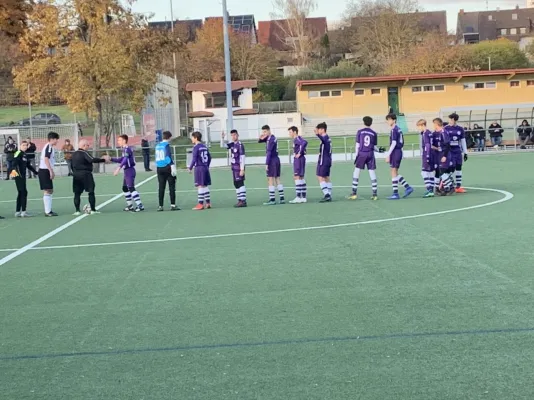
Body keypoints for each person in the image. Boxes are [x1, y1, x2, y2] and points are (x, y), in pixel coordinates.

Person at [71, 139, 110, 215]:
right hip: (86, 174)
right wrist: (103, 160)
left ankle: (77, 211)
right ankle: (93, 210)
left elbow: (71, 165)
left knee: (77, 193)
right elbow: (91, 160)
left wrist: (75, 172)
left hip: (76, 175)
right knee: (91, 192)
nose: (88, 147)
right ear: (84, 146)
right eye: (87, 145)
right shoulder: (84, 152)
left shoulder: (74, 154)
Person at [349, 116, 381, 200]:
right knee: (372, 172)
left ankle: (354, 193)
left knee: (356, 172)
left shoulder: (360, 132)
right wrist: (379, 150)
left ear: (363, 122)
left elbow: (357, 145)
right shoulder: (374, 133)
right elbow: (374, 147)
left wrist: (356, 155)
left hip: (362, 153)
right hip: (370, 153)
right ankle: (375, 194)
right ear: (371, 123)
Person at [111, 134, 145, 212]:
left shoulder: (127, 149)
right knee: (125, 188)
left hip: (130, 170)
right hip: (126, 171)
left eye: (119, 140)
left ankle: (140, 205)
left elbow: (125, 160)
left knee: (131, 187)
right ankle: (130, 205)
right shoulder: (124, 149)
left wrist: (118, 168)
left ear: (124, 141)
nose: (118, 142)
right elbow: (121, 159)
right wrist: (111, 158)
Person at [384, 113, 413, 200]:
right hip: (398, 151)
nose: (388, 121)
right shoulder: (398, 129)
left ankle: (396, 193)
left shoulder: (394, 130)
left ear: (394, 120)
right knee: (395, 171)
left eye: (389, 120)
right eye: (387, 120)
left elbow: (394, 143)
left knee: (393, 171)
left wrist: (388, 154)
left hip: (395, 151)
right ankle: (407, 187)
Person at [9, 140, 38, 217]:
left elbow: (28, 165)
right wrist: (15, 172)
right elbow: (14, 163)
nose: (25, 146)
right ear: (20, 146)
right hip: (19, 176)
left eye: (26, 145)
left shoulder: (25, 154)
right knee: (24, 192)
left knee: (21, 192)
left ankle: (18, 211)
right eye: (23, 145)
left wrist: (35, 172)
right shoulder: (18, 153)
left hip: (23, 176)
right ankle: (23, 212)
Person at [258, 125, 285, 205]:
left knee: (270, 179)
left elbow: (269, 152)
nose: (264, 133)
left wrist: (267, 164)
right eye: (263, 132)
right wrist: (261, 137)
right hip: (276, 159)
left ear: (269, 130)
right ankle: (282, 198)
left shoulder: (270, 140)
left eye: (265, 131)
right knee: (277, 178)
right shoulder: (272, 138)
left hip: (272, 160)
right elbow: (259, 141)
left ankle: (272, 199)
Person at [444, 113, 468, 194]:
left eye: (451, 119)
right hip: (449, 151)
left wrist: (465, 152)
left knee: (459, 167)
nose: (449, 121)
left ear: (454, 120)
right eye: (449, 119)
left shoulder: (460, 129)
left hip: (457, 151)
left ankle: (458, 186)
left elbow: (463, 141)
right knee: (451, 168)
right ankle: (446, 183)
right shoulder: (445, 128)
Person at [155, 131, 179, 211]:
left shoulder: (157, 146)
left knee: (161, 187)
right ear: (169, 137)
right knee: (171, 186)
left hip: (159, 167)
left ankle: (160, 205)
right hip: (167, 167)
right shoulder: (166, 145)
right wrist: (172, 165)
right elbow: (167, 156)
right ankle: (173, 205)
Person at [188, 131, 212, 210]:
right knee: (205, 185)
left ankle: (200, 204)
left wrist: (190, 167)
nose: (191, 139)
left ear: (196, 138)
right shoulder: (204, 146)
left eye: (192, 137)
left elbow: (194, 158)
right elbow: (209, 157)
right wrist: (207, 165)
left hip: (199, 168)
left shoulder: (196, 147)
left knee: (200, 186)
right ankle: (208, 203)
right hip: (205, 167)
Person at [38, 131, 60, 217]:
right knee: (48, 190)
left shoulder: (49, 147)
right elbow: (46, 158)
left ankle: (49, 210)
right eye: (56, 139)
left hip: (45, 170)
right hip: (44, 170)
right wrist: (50, 170)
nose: (57, 141)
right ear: (52, 139)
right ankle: (48, 211)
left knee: (50, 190)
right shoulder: (49, 147)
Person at [223, 130, 247, 208]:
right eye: (232, 135)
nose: (233, 137)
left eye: (235, 135)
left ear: (238, 135)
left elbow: (242, 157)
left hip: (239, 167)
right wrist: (222, 138)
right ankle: (239, 200)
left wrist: (242, 169)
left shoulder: (240, 145)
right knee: (236, 183)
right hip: (234, 167)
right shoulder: (232, 144)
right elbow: (223, 146)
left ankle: (243, 201)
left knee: (240, 182)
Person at [287, 126, 308, 204]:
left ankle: (298, 197)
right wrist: (302, 151)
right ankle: (303, 197)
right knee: (301, 177)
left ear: (295, 132)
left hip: (298, 160)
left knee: (297, 177)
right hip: (301, 159)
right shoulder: (296, 139)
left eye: (290, 132)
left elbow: (305, 142)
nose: (289, 134)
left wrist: (300, 153)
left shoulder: (297, 139)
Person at [433, 118, 454, 195]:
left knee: (442, 172)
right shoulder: (438, 132)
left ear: (436, 124)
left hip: (444, 154)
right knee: (440, 171)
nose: (433, 126)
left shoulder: (443, 132)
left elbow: (447, 145)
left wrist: (445, 155)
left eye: (434, 124)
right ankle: (445, 188)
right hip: (440, 154)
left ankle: (451, 187)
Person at [417, 119, 436, 198]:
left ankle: (429, 189)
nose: (418, 128)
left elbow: (427, 145)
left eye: (419, 126)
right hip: (432, 153)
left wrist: (427, 156)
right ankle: (431, 190)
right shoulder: (430, 132)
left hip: (427, 154)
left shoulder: (425, 134)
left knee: (424, 173)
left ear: (422, 125)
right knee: (431, 172)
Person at [315, 122, 333, 203]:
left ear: (322, 129)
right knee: (326, 177)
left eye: (318, 129)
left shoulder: (325, 137)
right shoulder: (328, 138)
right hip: (328, 160)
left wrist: (317, 135)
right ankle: (328, 193)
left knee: (320, 177)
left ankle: (327, 195)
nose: (317, 131)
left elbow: (322, 139)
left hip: (324, 160)